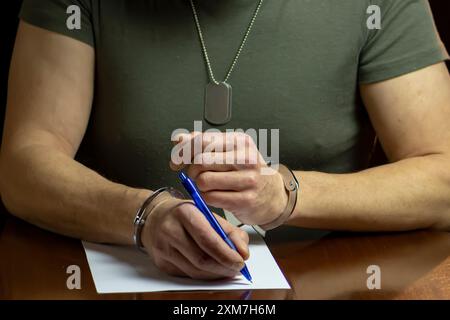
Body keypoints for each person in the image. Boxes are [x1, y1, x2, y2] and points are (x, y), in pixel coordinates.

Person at [1, 0, 449, 281]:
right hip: (118, 279)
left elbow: (442, 178)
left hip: (324, 280)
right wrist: (145, 215)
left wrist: (286, 195)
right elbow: (25, 163)